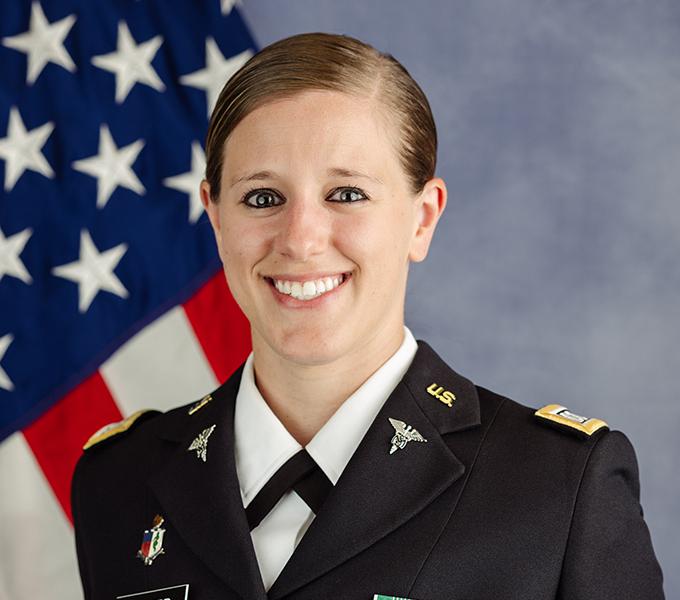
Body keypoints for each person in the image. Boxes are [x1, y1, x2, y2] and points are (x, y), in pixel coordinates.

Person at [72, 32, 664, 600]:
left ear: (422, 219)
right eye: (262, 198)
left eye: (347, 194)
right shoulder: (119, 481)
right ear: (217, 217)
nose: (300, 240)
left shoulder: (556, 489)